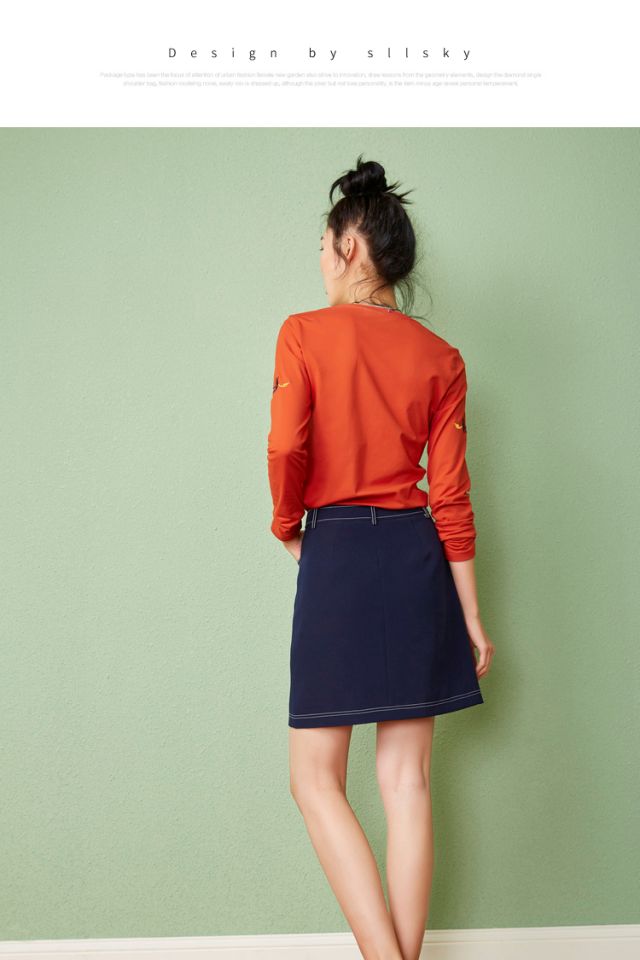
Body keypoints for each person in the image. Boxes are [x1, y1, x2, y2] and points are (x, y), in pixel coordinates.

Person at [266, 156, 495, 960]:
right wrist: (470, 613)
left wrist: (287, 525)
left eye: (323, 248)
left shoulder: (303, 333)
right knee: (408, 783)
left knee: (314, 780)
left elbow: (285, 446)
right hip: (415, 561)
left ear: (351, 246)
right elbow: (451, 496)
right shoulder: (442, 357)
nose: (321, 263)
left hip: (338, 552)